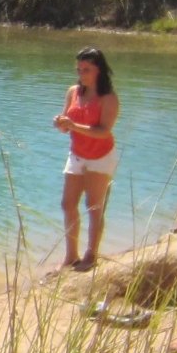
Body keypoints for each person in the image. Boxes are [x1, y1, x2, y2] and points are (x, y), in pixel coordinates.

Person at [54, 46, 119, 272]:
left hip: (100, 157)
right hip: (77, 154)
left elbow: (103, 131)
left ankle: (91, 255)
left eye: (87, 69)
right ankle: (71, 256)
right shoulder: (73, 91)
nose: (81, 74)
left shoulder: (108, 98)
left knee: (93, 207)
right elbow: (68, 123)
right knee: (67, 204)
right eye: (79, 69)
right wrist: (62, 124)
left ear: (99, 71)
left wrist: (73, 126)